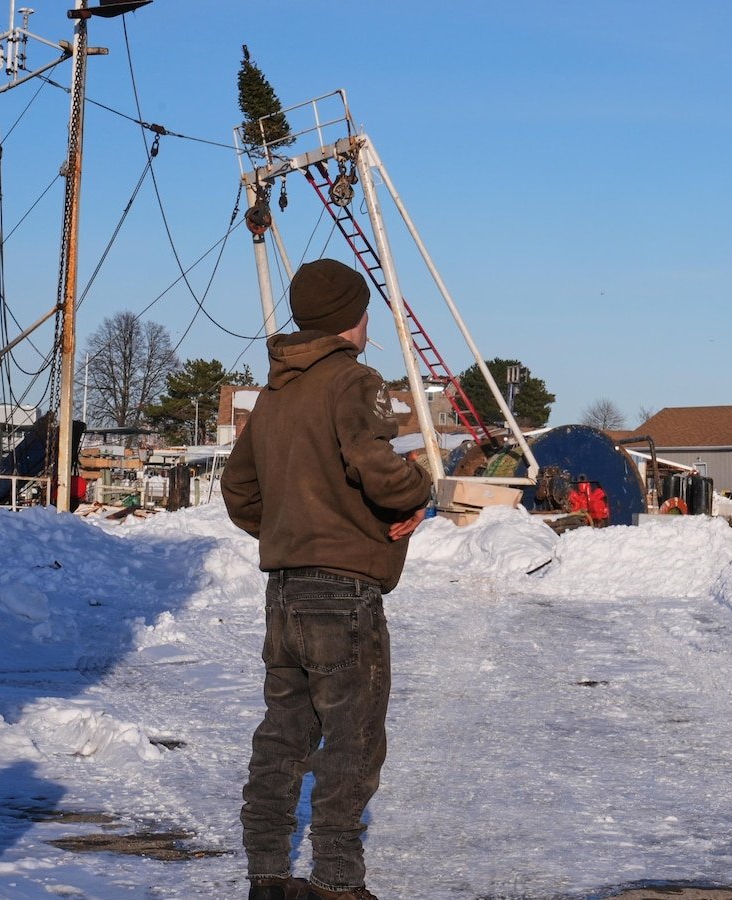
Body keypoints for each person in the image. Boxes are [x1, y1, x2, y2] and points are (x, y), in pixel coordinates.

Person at [223, 258, 435, 900]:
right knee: (353, 736)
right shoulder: (355, 381)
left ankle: (266, 876)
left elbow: (238, 491)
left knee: (283, 734)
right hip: (342, 590)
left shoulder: (276, 393)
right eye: (364, 310)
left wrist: (292, 530)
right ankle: (338, 884)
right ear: (350, 319)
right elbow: (379, 468)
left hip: (284, 589)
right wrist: (416, 493)